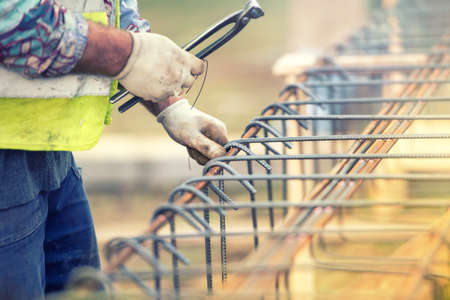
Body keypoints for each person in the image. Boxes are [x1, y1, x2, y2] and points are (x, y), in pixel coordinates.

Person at [0, 0, 229, 299]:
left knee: (83, 290)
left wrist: (169, 104)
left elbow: (112, 10)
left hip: (54, 154)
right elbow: (12, 20)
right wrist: (128, 54)